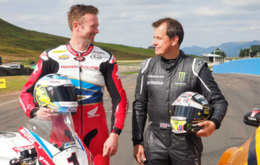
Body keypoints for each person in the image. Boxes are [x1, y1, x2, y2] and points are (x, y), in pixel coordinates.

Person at [19, 4, 128, 165]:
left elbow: (119, 99)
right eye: (93, 26)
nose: (97, 31)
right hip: (61, 133)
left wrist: (115, 134)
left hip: (97, 133)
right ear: (76, 26)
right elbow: (26, 93)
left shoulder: (105, 58)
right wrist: (34, 111)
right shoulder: (51, 57)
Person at [132, 17, 228, 165]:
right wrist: (137, 141)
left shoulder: (195, 67)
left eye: (159, 38)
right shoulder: (146, 67)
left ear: (174, 40)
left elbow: (219, 100)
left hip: (186, 143)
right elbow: (139, 106)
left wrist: (214, 123)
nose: (154, 42)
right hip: (154, 141)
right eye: (154, 38)